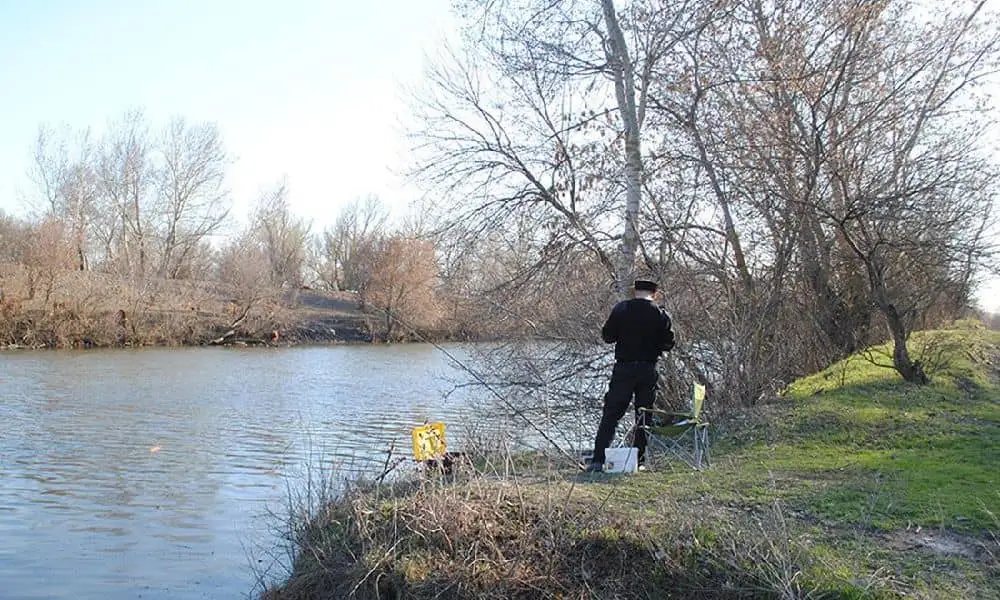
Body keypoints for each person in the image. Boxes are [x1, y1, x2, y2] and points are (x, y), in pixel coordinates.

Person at [584, 278, 675, 472]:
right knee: (643, 415)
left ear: (635, 292)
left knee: (611, 413)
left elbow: (608, 337)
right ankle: (638, 460)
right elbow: (668, 343)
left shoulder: (621, 309)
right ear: (654, 294)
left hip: (624, 368)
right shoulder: (661, 314)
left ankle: (599, 459)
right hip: (648, 369)